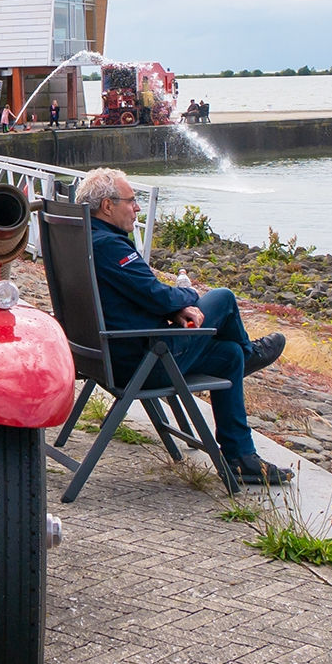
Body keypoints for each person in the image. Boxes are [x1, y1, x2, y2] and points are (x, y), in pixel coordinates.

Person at [74, 167, 292, 485]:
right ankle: (252, 354)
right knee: (223, 298)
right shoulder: (110, 246)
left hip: (103, 356)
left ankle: (241, 457)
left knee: (228, 355)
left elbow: (140, 294)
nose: (136, 208)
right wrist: (186, 295)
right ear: (107, 206)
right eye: (132, 201)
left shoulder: (80, 236)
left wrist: (174, 308)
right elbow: (156, 294)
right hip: (143, 361)